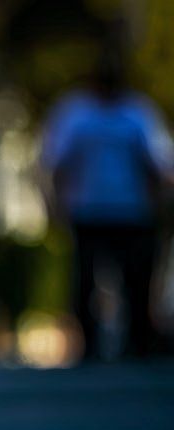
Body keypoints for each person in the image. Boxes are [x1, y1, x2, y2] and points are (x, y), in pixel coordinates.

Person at [43, 52, 174, 360]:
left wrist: (161, 204)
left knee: (137, 280)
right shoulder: (75, 113)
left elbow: (159, 163)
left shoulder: (137, 113)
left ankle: (138, 344)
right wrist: (55, 203)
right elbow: (55, 163)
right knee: (85, 281)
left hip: (132, 211)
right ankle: (89, 344)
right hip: (88, 210)